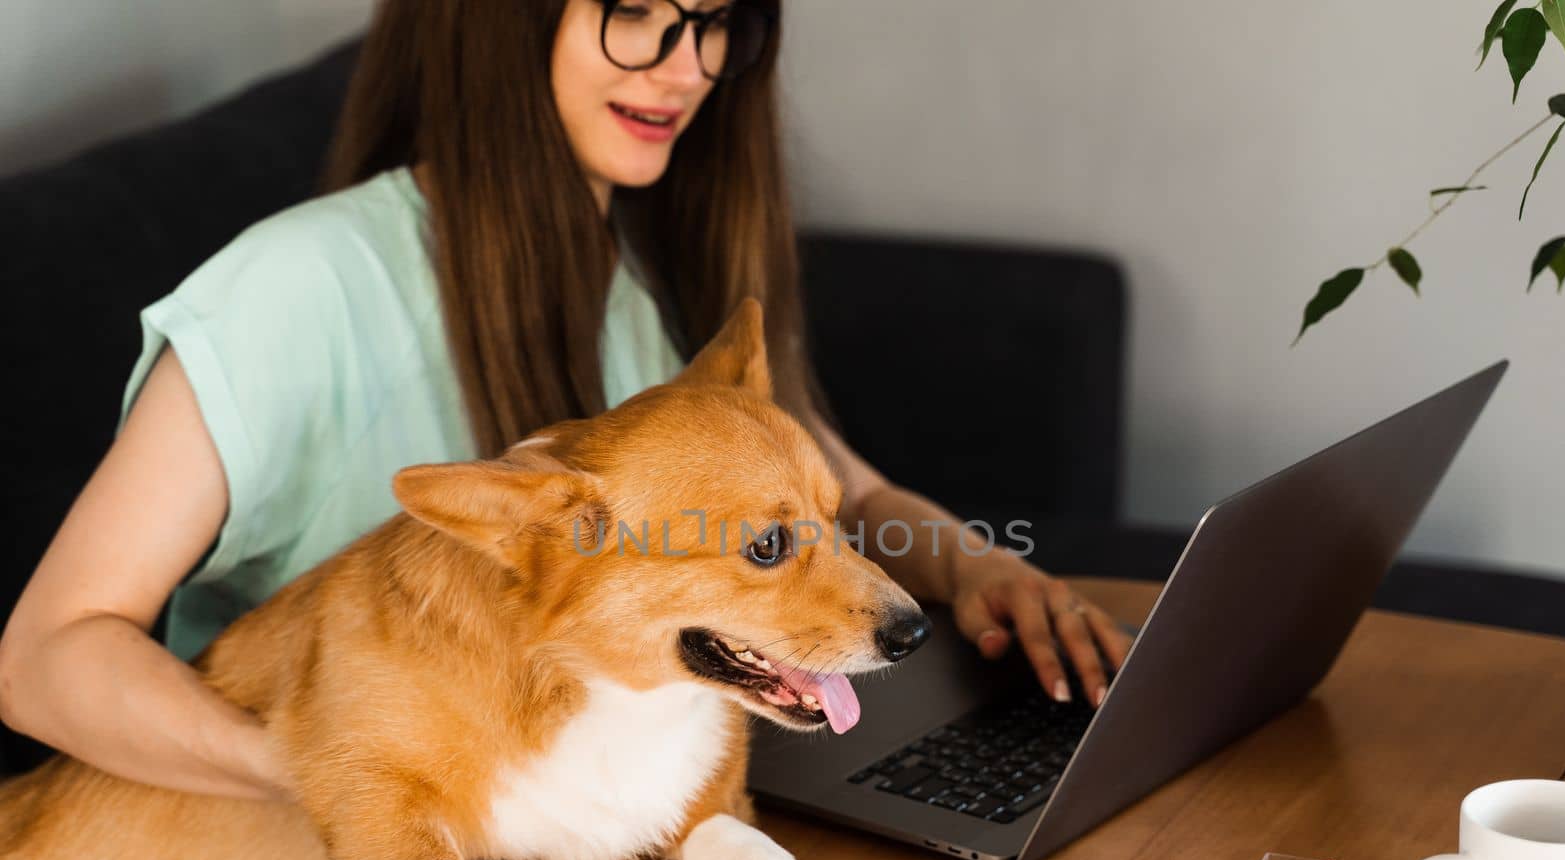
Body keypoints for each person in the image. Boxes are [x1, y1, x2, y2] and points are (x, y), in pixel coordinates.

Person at [0, 0, 1132, 805]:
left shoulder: (646, 282)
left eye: (713, 20)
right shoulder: (295, 292)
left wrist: (983, 569)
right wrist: (331, 770)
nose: (683, 66)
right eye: (634, 9)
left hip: (597, 832)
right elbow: (45, 657)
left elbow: (863, 491)